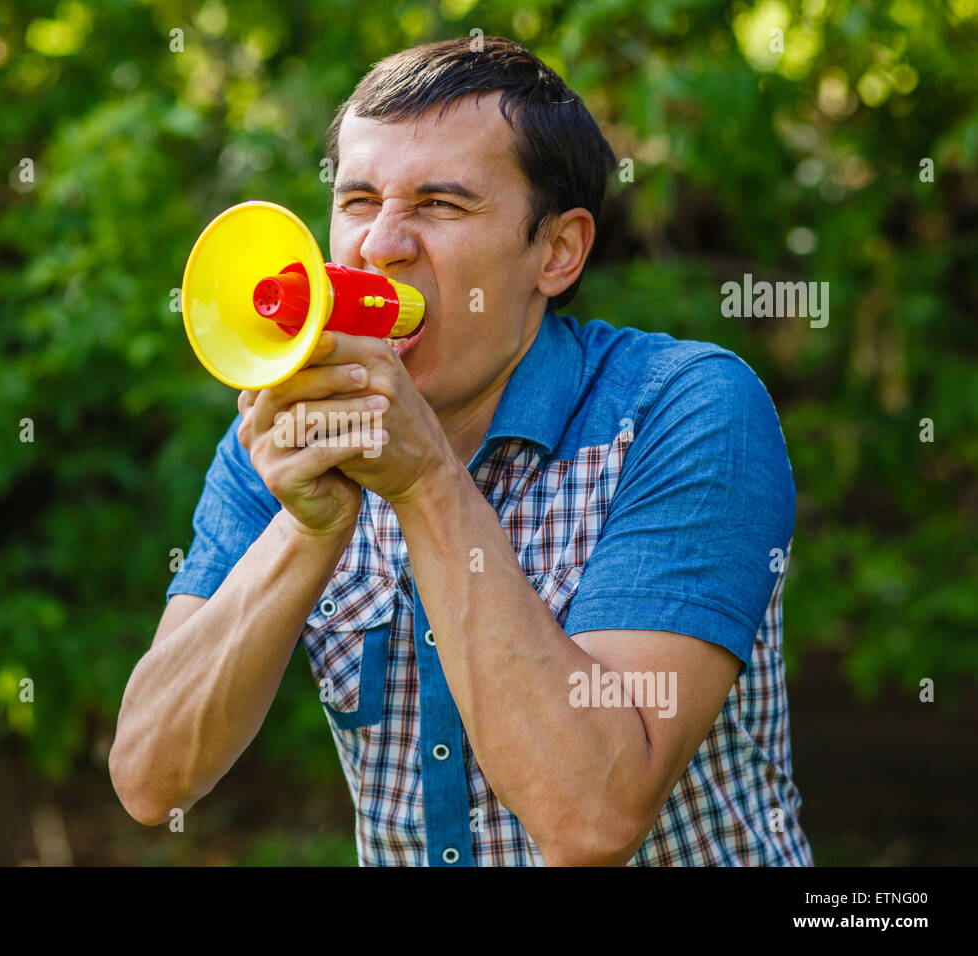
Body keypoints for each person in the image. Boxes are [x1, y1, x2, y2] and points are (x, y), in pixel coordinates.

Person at [110, 35, 812, 866]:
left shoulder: (683, 409)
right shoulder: (281, 432)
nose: (381, 246)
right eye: (360, 200)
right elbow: (152, 778)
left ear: (557, 251)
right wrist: (306, 530)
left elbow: (593, 818)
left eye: (441, 205)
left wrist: (426, 484)